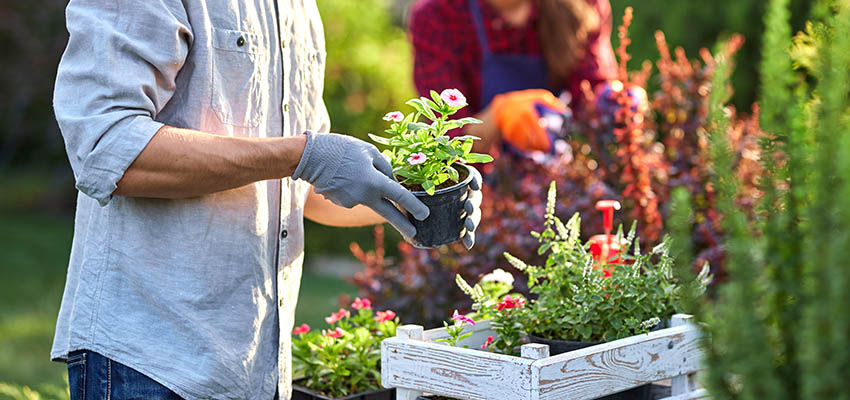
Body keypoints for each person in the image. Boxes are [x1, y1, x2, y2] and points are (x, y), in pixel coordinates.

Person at [50, 1, 482, 399]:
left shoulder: (298, 8)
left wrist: (419, 200)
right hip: (150, 362)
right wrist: (303, 155)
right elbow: (106, 146)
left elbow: (304, 189)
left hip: (258, 369)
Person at [409, 0, 617, 154]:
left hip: (565, 169)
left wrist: (617, 102)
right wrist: (498, 116)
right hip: (487, 189)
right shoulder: (437, 17)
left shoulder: (583, 5)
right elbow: (447, 139)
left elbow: (593, 96)